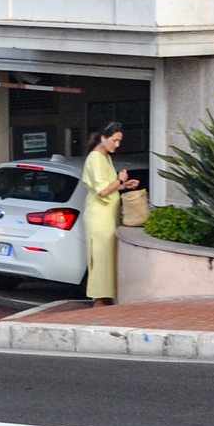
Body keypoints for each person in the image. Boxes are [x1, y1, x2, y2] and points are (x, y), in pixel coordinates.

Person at [79, 122, 133, 306]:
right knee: (100, 256)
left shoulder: (105, 157)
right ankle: (99, 298)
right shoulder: (95, 158)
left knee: (107, 257)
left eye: (119, 141)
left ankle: (105, 296)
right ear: (103, 138)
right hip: (99, 216)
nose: (117, 145)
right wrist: (119, 180)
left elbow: (107, 186)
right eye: (114, 140)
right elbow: (102, 191)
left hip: (107, 216)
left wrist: (123, 185)